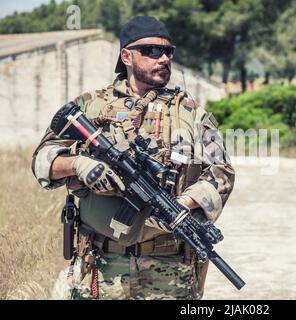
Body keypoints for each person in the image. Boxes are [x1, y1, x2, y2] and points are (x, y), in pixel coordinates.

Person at [31, 16, 235, 300]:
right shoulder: (90, 105)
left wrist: (182, 205)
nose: (163, 58)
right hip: (101, 268)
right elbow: (43, 158)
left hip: (169, 270)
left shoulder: (189, 111)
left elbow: (222, 171)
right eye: (152, 51)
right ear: (126, 56)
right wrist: (78, 164)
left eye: (168, 52)